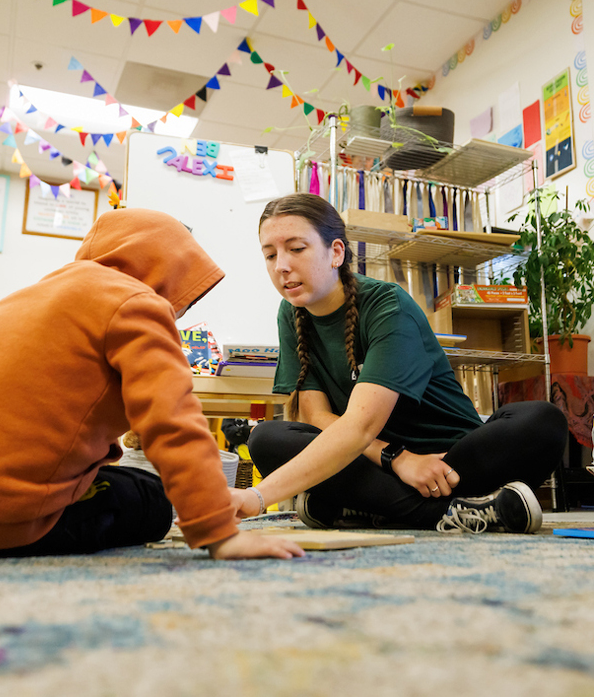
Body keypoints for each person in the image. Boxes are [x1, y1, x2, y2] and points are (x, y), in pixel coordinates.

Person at [0, 208, 303, 561]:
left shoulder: (41, 289)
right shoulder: (138, 304)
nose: (179, 312)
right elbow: (173, 421)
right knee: (150, 497)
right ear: (167, 272)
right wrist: (219, 532)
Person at [231, 193, 567, 534]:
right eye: (270, 255)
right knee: (266, 438)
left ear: (335, 252)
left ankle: (376, 507)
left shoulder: (386, 304)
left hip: (453, 460)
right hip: (379, 462)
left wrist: (256, 498)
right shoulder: (291, 313)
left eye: (296, 249)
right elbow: (316, 417)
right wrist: (398, 459)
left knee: (543, 420)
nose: (281, 266)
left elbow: (360, 427)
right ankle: (459, 512)